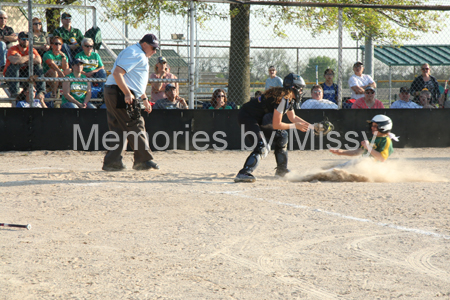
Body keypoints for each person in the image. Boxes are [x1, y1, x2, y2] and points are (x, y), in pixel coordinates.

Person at [234, 73, 311, 183]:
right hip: (248, 117)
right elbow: (276, 124)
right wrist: (295, 126)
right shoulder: (283, 98)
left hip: (260, 119)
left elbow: (293, 117)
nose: (301, 92)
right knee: (262, 146)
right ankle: (243, 173)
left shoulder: (288, 98)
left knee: (282, 135)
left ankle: (281, 170)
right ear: (293, 88)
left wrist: (313, 127)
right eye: (300, 89)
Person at [102, 33, 159, 172]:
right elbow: (117, 73)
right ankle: (143, 161)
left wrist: (144, 99)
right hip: (120, 92)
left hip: (115, 91)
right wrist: (127, 93)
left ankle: (113, 162)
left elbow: (133, 79)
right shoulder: (137, 53)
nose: (154, 51)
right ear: (144, 44)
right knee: (135, 124)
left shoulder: (137, 52)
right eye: (153, 47)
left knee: (118, 128)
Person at [330, 115, 394, 163]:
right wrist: (341, 152)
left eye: (375, 126)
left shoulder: (386, 140)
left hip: (372, 167)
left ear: (384, 127)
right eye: (372, 126)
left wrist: (368, 147)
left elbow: (382, 158)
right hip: (361, 162)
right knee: (338, 167)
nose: (372, 128)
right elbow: (359, 151)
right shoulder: (373, 139)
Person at [4, 32, 45, 98]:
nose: (26, 41)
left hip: (26, 74)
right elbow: (14, 61)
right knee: (14, 66)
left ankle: (41, 91)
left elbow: (39, 60)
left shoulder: (31, 49)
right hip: (11, 76)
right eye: (23, 39)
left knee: (38, 66)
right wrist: (30, 57)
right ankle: (15, 93)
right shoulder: (12, 49)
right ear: (19, 40)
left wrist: (21, 59)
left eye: (27, 39)